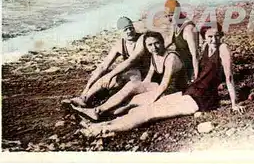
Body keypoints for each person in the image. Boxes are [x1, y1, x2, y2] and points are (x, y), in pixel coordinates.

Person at [78, 23, 244, 136]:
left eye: (216, 36)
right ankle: (101, 124)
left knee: (149, 113)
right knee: (140, 109)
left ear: (221, 36)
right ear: (205, 37)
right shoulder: (207, 46)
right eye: (209, 36)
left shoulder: (223, 49)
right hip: (191, 91)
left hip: (202, 99)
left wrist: (234, 103)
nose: (213, 40)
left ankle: (100, 131)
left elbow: (229, 78)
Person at [71, 31, 189, 121]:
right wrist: (139, 88)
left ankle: (100, 112)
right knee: (132, 87)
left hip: (173, 90)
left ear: (163, 42)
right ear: (147, 47)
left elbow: (164, 84)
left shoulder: (171, 58)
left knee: (133, 100)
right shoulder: (155, 54)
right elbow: (148, 77)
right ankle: (98, 111)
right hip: (160, 86)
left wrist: (152, 98)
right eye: (150, 45)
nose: (154, 47)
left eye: (157, 43)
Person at [62, 17, 149, 107]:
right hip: (132, 73)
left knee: (116, 79)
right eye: (125, 29)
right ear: (120, 32)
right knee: (108, 78)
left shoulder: (142, 39)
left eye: (131, 28)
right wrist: (86, 88)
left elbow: (132, 60)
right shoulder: (120, 44)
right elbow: (103, 66)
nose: (129, 31)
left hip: (147, 74)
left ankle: (98, 103)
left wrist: (110, 75)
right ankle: (84, 98)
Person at [164, 0, 200, 82]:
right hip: (182, 65)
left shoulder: (188, 29)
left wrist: (196, 77)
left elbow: (195, 55)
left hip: (191, 67)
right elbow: (168, 42)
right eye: (167, 15)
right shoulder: (175, 24)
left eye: (171, 15)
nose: (169, 18)